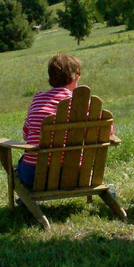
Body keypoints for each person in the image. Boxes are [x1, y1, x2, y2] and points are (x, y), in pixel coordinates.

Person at [17, 53, 83, 187]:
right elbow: (105, 130)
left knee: (22, 162)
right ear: (76, 76)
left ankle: (27, 201)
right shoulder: (81, 103)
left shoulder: (38, 99)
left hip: (35, 175)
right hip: (74, 173)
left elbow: (26, 135)